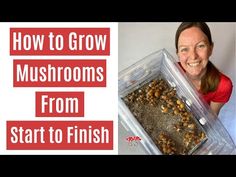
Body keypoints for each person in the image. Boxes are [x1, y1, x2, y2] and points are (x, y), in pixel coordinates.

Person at [175, 22, 233, 116]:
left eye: (200, 46)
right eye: (184, 49)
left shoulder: (223, 85)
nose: (193, 56)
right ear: (178, 53)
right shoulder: (170, 71)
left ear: (210, 48)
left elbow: (211, 118)